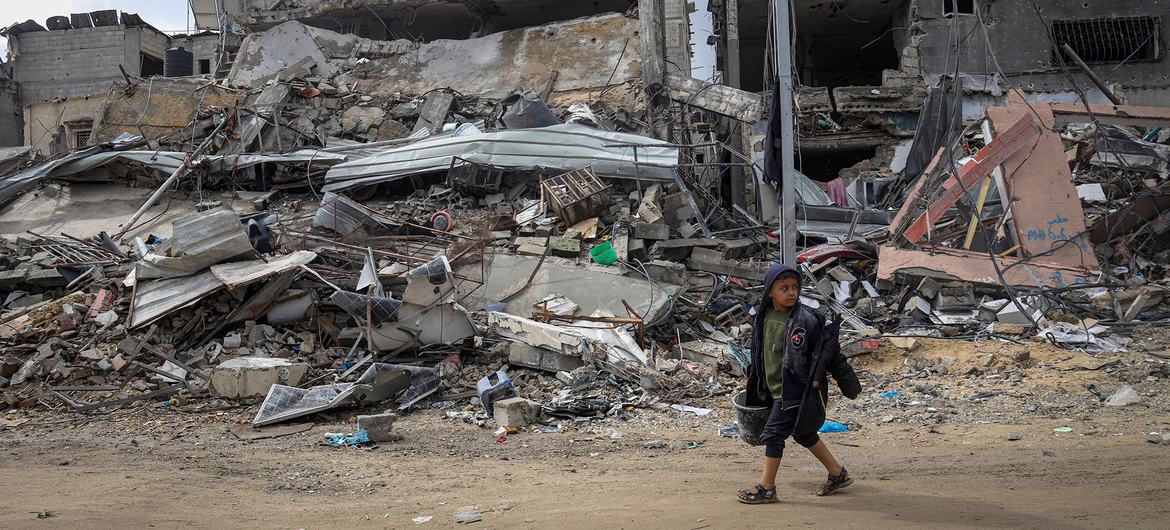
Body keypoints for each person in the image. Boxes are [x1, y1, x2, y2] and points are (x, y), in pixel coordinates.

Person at [736, 263, 862, 504]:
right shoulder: (762, 317)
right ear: (769, 292)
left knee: (773, 435)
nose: (791, 292)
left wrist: (849, 385)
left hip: (797, 390)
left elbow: (831, 354)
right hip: (772, 389)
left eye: (795, 287)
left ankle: (766, 488)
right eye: (784, 288)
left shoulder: (808, 320)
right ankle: (838, 474)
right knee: (804, 433)